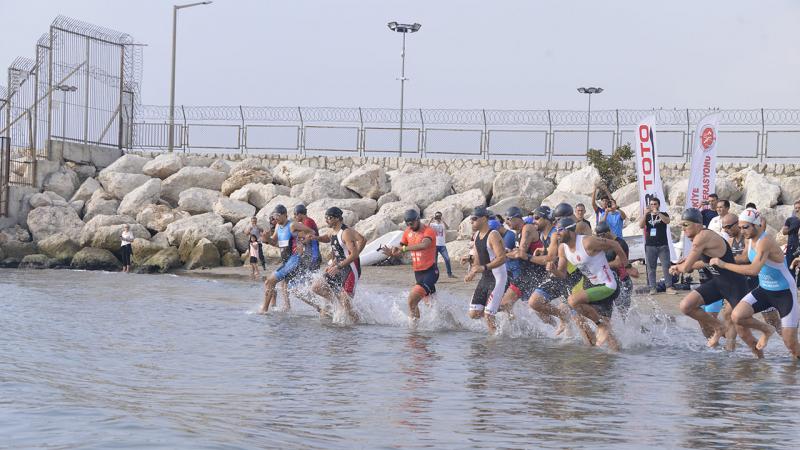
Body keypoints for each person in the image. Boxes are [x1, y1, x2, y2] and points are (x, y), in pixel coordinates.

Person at [710, 208, 800, 359]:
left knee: (790, 343)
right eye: (740, 227)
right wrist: (720, 258)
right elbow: (745, 257)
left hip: (784, 293)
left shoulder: (765, 241)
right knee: (737, 316)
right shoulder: (749, 239)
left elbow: (753, 270)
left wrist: (723, 265)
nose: (742, 230)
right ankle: (764, 340)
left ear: (757, 225)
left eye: (746, 227)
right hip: (764, 290)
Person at [669, 208, 753, 350]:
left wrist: (678, 267)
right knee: (686, 306)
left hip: (735, 285)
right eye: (681, 226)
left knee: (742, 333)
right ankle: (719, 329)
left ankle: (758, 359)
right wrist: (682, 264)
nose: (683, 230)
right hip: (718, 283)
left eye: (685, 225)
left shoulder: (703, 237)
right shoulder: (700, 238)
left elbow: (688, 267)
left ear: (697, 225)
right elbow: (706, 262)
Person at [549, 217, 628, 351]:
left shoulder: (587, 242)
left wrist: (625, 263)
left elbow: (615, 244)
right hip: (593, 287)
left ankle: (601, 326)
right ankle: (618, 355)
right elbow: (562, 274)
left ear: (570, 230)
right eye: (556, 230)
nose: (557, 233)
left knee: (573, 301)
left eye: (560, 230)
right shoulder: (563, 248)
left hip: (608, 286)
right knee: (606, 335)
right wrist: (554, 270)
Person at [259, 204, 317, 314]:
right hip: (286, 261)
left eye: (278, 215)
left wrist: (302, 243)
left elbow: (311, 232)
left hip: (294, 259)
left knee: (269, 282)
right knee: (290, 287)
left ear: (285, 215)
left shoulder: (292, 225)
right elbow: (274, 242)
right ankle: (319, 308)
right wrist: (267, 239)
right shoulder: (277, 227)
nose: (275, 218)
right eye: (274, 215)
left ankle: (264, 311)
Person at [384, 209, 439, 323]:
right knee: (433, 306)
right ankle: (453, 323)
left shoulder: (428, 231)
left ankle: (414, 330)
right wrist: (392, 253)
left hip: (430, 272)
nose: (410, 226)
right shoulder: (407, 232)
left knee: (411, 300)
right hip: (418, 273)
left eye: (412, 223)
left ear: (418, 219)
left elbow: (424, 245)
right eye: (407, 224)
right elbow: (400, 249)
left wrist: (403, 249)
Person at [314, 207, 365, 322]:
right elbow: (331, 242)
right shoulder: (332, 231)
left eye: (329, 218)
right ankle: (337, 305)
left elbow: (355, 252)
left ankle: (358, 323)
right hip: (339, 266)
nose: (326, 220)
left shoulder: (346, 233)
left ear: (337, 218)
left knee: (345, 302)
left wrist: (339, 266)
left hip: (351, 269)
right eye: (326, 217)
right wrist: (315, 238)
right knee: (317, 287)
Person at [463, 206, 508, 334]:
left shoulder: (493, 235)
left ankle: (493, 345)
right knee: (474, 313)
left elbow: (502, 258)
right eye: (471, 219)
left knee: (488, 316)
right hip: (485, 278)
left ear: (484, 219)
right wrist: (472, 272)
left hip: (497, 278)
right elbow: (477, 257)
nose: (471, 222)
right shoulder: (477, 235)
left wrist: (484, 267)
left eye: (474, 219)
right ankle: (502, 319)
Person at [498, 206, 544, 315]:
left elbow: (520, 253)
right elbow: (518, 251)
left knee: (505, 304)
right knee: (536, 310)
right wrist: (509, 252)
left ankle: (560, 324)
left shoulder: (527, 228)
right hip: (526, 273)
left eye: (508, 219)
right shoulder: (518, 232)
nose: (506, 222)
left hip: (534, 273)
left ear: (517, 218)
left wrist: (502, 254)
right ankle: (517, 329)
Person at [595, 221, 639, 315]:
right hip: (610, 281)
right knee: (606, 311)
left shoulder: (620, 243)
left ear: (608, 232)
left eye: (602, 235)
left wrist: (601, 265)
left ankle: (636, 327)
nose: (600, 238)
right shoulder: (603, 244)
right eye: (598, 236)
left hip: (623, 281)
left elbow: (618, 263)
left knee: (623, 312)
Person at [639, 197, 675, 294]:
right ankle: (653, 288)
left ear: (658, 205)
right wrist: (645, 214)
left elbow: (667, 221)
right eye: (651, 204)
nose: (653, 206)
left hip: (663, 245)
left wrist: (658, 213)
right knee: (651, 267)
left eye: (655, 204)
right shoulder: (647, 216)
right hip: (650, 245)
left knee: (666, 266)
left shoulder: (663, 214)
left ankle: (669, 287)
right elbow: (641, 226)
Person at [427, 211, 455, 278]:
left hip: (442, 245)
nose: (438, 217)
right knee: (435, 262)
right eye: (437, 216)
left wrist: (443, 220)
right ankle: (435, 275)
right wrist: (431, 220)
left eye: (439, 216)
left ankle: (449, 274)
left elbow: (448, 228)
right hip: (435, 245)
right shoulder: (432, 224)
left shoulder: (442, 225)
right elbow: (427, 227)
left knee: (447, 259)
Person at [782, 200, 800, 281]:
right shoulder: (790, 220)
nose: (797, 209)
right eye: (796, 208)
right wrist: (795, 226)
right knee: (790, 266)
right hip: (791, 245)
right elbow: (784, 232)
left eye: (799, 208)